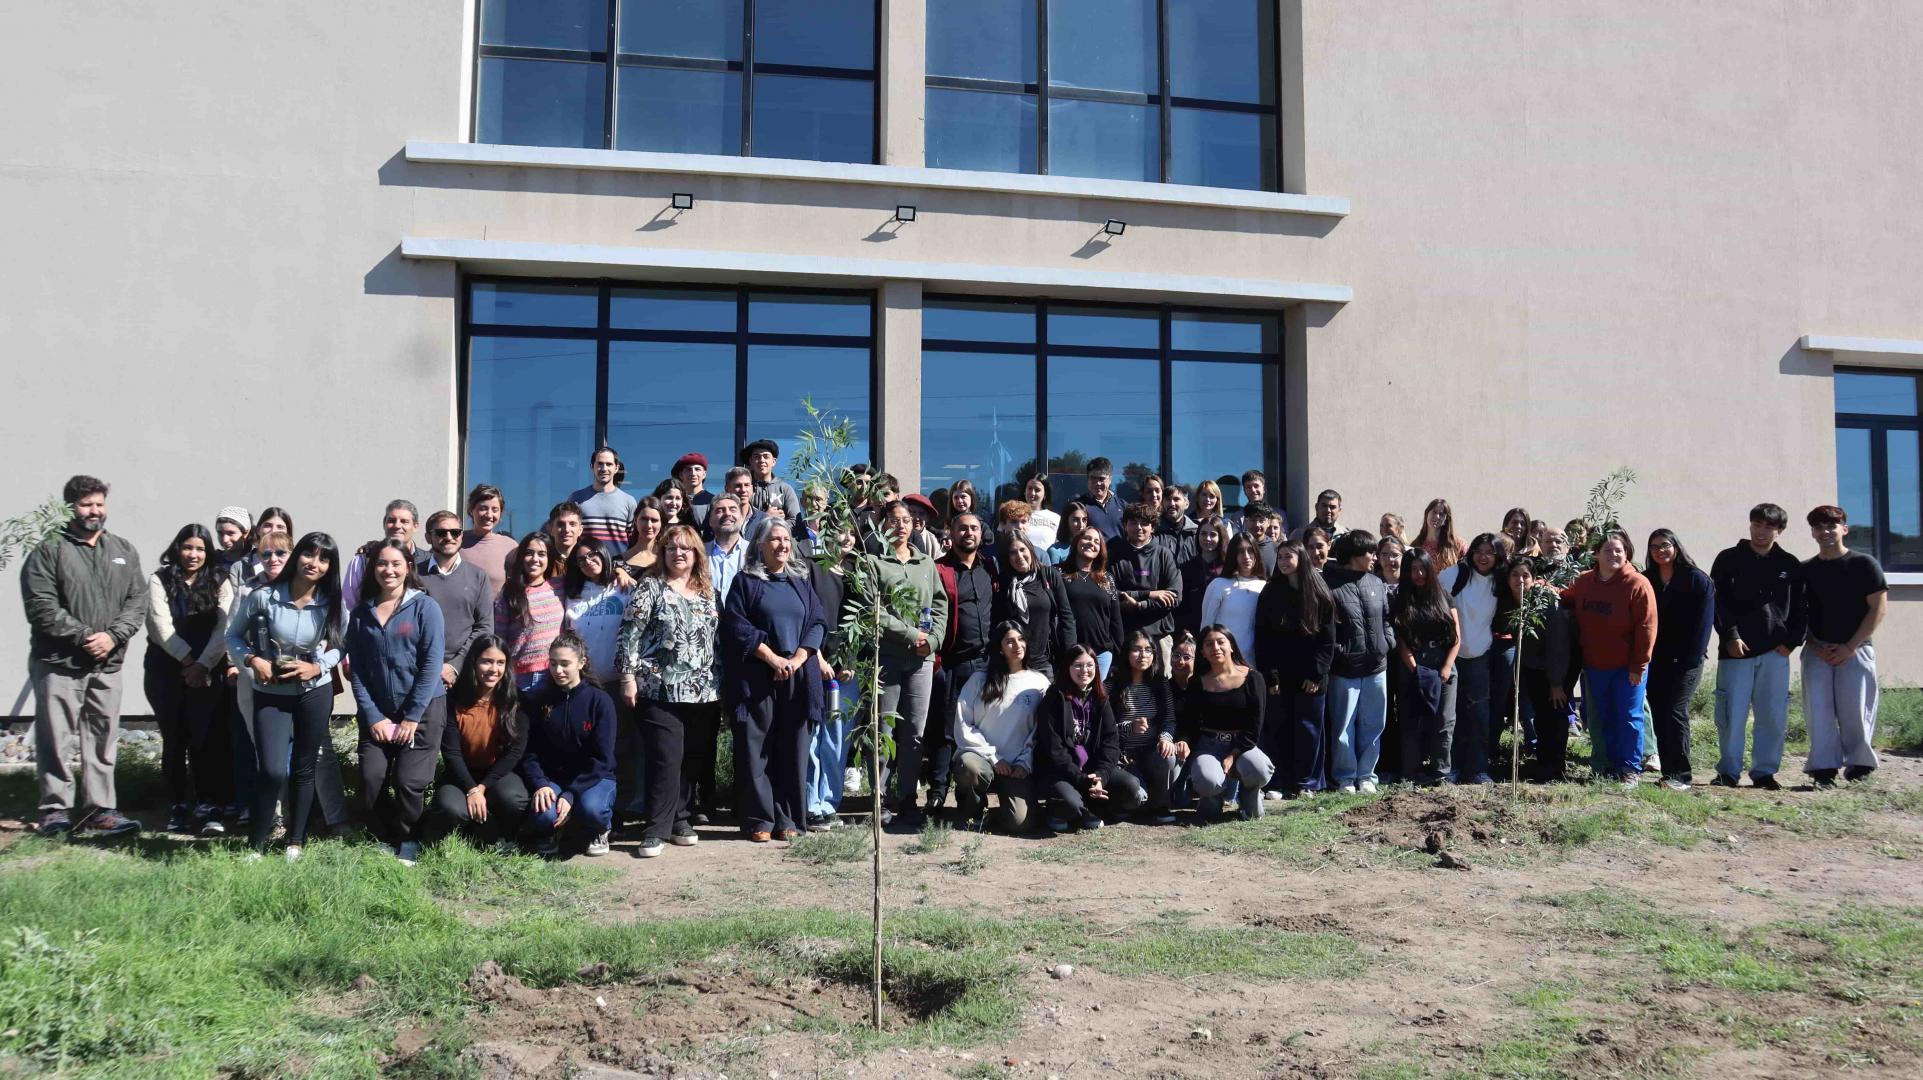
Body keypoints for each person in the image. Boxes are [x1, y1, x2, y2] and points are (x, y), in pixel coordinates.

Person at [21, 475, 145, 838]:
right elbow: (41, 606)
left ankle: (100, 809)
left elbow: (136, 603)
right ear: (70, 507)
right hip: (59, 663)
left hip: (107, 664)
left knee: (102, 736)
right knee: (56, 737)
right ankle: (55, 810)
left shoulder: (122, 549)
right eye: (86, 504)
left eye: (99, 504)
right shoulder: (49, 549)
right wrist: (86, 636)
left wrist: (113, 636)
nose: (95, 511)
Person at [225, 531, 344, 856]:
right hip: (270, 692)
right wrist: (251, 661)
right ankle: (256, 846)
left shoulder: (332, 602)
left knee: (305, 768)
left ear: (329, 566)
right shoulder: (264, 596)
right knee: (273, 769)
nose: (314, 563)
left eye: (323, 558)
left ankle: (295, 843)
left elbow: (343, 644)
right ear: (297, 556)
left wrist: (319, 668)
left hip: (313, 693)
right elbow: (232, 635)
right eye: (308, 554)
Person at [616, 524, 721, 857]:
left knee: (692, 758)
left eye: (686, 548)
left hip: (703, 689)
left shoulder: (706, 589)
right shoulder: (651, 587)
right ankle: (656, 828)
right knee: (666, 757)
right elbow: (629, 633)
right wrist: (627, 676)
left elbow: (714, 640)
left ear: (696, 555)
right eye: (672, 548)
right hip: (659, 687)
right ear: (662, 553)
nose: (679, 553)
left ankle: (680, 818)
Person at [722, 521, 826, 842]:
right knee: (757, 749)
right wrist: (772, 658)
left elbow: (817, 622)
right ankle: (760, 821)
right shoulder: (746, 581)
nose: (782, 545)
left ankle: (788, 819)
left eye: (786, 539)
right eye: (774, 539)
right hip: (757, 677)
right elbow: (736, 627)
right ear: (760, 545)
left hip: (798, 676)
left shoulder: (801, 580)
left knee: (793, 749)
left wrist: (795, 660)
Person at [348, 539, 447, 866]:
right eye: (381, 564)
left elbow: (432, 665)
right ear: (372, 568)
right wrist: (373, 716)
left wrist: (411, 717)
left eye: (395, 563)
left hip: (422, 711)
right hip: (377, 712)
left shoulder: (425, 607)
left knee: (408, 781)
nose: (388, 570)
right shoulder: (361, 613)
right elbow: (358, 670)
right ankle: (382, 834)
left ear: (408, 567)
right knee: (372, 778)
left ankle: (408, 836)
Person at [145, 523, 236, 834]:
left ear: (207, 552)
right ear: (178, 548)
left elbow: (224, 628)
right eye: (187, 547)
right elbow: (159, 624)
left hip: (208, 671)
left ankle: (209, 804)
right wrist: (187, 661)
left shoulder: (220, 580)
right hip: (165, 671)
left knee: (206, 737)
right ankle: (177, 805)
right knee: (174, 738)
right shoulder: (161, 578)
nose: (193, 554)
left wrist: (202, 665)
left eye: (200, 548)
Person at [1707, 503, 1805, 790]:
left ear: (1780, 530)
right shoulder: (1728, 559)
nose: (1761, 531)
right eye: (1756, 524)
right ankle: (1728, 772)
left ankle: (1764, 773)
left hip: (1776, 653)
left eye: (1769, 527)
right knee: (1731, 716)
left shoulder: (1789, 564)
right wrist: (1730, 635)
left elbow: (1801, 609)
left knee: (1772, 716)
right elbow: (1718, 602)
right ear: (1750, 525)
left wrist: (1791, 643)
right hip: (1735, 652)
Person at [865, 500, 949, 825]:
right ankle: (880, 800)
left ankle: (907, 798)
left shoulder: (926, 564)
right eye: (894, 520)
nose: (901, 525)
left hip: (921, 660)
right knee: (884, 730)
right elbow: (873, 611)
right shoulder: (873, 563)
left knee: (914, 732)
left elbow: (940, 604)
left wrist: (934, 639)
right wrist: (912, 634)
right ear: (883, 525)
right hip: (887, 658)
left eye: (906, 520)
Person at [1560, 531, 1657, 789]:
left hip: (1628, 667)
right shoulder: (1584, 582)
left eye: (1619, 551)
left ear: (1626, 554)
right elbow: (1565, 597)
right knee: (1599, 716)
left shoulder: (1637, 584)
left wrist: (1639, 665)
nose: (1613, 555)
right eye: (1607, 550)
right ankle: (1602, 766)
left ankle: (1629, 769)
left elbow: (1646, 628)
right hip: (1595, 664)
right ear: (1596, 554)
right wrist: (1539, 587)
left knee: (1628, 717)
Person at [1800, 505, 1886, 786]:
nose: (1824, 532)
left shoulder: (1864, 564)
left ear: (1844, 529)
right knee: (1818, 711)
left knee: (1857, 710)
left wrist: (1850, 646)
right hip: (1817, 652)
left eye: (1830, 526)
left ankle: (1860, 766)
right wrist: (1815, 645)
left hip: (1857, 650)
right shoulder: (1805, 570)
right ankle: (1823, 769)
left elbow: (1878, 609)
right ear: (1812, 532)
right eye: (1818, 527)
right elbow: (1798, 615)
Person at [520, 633, 618, 858]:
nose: (558, 670)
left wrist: (572, 793)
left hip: (594, 778)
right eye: (553, 663)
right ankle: (552, 829)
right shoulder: (539, 699)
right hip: (553, 778)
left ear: (581, 663)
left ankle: (599, 828)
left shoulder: (600, 702)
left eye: (565, 664)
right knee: (543, 813)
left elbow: (603, 759)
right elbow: (529, 752)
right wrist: (541, 783)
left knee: (591, 809)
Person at [430, 636, 530, 852]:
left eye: (500, 663)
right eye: (486, 661)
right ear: (473, 662)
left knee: (514, 800)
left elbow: (515, 753)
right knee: (451, 809)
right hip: (460, 775)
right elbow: (451, 752)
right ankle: (472, 831)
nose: (493, 669)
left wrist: (481, 788)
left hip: (499, 775)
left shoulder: (516, 700)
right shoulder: (453, 699)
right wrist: (470, 789)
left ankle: (502, 831)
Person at [1252, 541, 1334, 799]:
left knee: (1309, 729)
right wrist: (1271, 676)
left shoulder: (1320, 592)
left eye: (1289, 556)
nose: (1283, 561)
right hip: (1279, 675)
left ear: (1301, 558)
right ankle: (1278, 782)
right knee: (1279, 727)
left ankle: (1306, 783)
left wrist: (1316, 674)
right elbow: (1263, 637)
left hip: (1311, 676)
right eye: (1280, 556)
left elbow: (1328, 639)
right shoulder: (1270, 592)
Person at [951, 622, 1049, 832]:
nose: (1017, 645)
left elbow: (1041, 730)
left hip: (1017, 766)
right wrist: (994, 758)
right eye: (1010, 641)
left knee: (1019, 824)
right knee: (970, 768)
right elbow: (963, 723)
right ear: (999, 648)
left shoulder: (1039, 683)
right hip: (982, 758)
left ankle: (1005, 809)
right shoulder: (979, 679)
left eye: (1021, 639)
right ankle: (973, 809)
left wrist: (1025, 761)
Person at [1037, 646, 1145, 831]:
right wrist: (1083, 780)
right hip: (1064, 773)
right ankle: (1064, 810)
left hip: (1093, 771)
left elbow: (1111, 743)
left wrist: (1101, 776)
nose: (1084, 670)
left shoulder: (1100, 698)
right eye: (1077, 665)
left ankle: (1091, 808)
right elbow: (1054, 751)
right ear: (1067, 668)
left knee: (1133, 791)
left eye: (1089, 665)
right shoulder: (1054, 698)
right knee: (1069, 804)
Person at [932, 512, 997, 818]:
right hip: (953, 662)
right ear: (951, 532)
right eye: (962, 528)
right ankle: (936, 793)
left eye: (974, 528)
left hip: (987, 662)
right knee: (947, 731)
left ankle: (970, 796)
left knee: (982, 730)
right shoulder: (940, 569)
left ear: (981, 534)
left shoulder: (991, 568)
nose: (969, 533)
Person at [1177, 625, 1273, 820]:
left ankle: (1248, 795)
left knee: (1260, 769)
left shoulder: (1253, 678)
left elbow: (1255, 725)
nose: (1216, 648)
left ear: (1231, 646)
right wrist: (1185, 740)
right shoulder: (1197, 682)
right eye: (1208, 644)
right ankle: (1212, 798)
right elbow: (1190, 721)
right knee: (1208, 782)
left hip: (1243, 745)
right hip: (1208, 744)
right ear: (1202, 652)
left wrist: (1233, 755)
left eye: (1221, 642)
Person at [1643, 529, 1713, 790]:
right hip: (1655, 660)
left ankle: (1682, 776)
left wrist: (1687, 658)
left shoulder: (1696, 579)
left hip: (1686, 662)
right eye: (1654, 547)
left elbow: (1703, 627)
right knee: (1660, 713)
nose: (1660, 551)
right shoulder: (1647, 579)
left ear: (1675, 547)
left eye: (1665, 545)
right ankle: (1669, 774)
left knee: (1674, 711)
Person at [1324, 530, 1391, 794]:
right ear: (1354, 556)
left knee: (1374, 723)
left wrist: (1387, 643)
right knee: (1343, 725)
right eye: (1370, 553)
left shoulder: (1377, 582)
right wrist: (1340, 652)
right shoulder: (1329, 584)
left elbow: (1386, 619)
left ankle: (1367, 775)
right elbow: (1325, 627)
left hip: (1376, 667)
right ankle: (1345, 777)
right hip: (1344, 669)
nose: (1375, 558)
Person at [1391, 548, 1460, 786]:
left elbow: (1456, 637)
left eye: (1422, 568)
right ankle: (1412, 772)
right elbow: (1401, 642)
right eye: (1412, 569)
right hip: (1414, 665)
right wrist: (1416, 671)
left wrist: (1447, 666)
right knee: (1412, 721)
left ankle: (1441, 772)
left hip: (1443, 664)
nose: (1418, 574)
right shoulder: (1401, 598)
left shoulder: (1443, 596)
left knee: (1444, 722)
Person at [1439, 533, 1505, 784]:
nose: (1483, 556)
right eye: (1479, 551)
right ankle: (1450, 768)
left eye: (1490, 552)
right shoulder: (1452, 575)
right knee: (1450, 716)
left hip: (1479, 655)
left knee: (1478, 715)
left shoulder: (1501, 580)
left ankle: (1477, 769)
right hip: (1449, 657)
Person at [807, 527, 858, 830]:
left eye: (850, 531)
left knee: (837, 740)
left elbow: (864, 618)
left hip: (848, 670)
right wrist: (819, 657)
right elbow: (807, 616)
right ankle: (812, 805)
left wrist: (849, 660)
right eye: (839, 531)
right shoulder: (813, 568)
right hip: (816, 662)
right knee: (815, 737)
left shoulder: (856, 570)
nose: (846, 537)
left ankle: (830, 803)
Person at [1504, 558, 1573, 783]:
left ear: (1534, 579)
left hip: (1555, 667)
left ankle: (1555, 769)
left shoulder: (1545, 601)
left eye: (1525, 575)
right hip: (1531, 667)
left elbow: (1558, 643)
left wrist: (1555, 683)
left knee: (1554, 716)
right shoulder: (1510, 600)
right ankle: (1544, 765)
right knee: (1541, 718)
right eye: (1515, 574)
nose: (1520, 580)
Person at [1107, 631, 1180, 823]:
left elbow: (1169, 719)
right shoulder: (1112, 685)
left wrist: (1165, 737)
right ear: (1126, 653)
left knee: (1169, 754)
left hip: (1151, 752)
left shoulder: (1161, 683)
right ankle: (1129, 800)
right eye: (1137, 650)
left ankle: (1160, 806)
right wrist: (1129, 728)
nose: (1143, 655)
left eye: (1148, 650)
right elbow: (1102, 727)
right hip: (1122, 757)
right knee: (1136, 798)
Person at [418, 511, 494, 692]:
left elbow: (485, 627)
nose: (449, 537)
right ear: (429, 537)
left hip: (465, 674)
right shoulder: (414, 576)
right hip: (421, 674)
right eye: (441, 533)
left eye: (455, 532)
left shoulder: (478, 576)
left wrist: (454, 666)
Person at [1109, 503, 1183, 662]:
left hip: (1159, 636)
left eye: (1144, 523)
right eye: (1133, 522)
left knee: (1161, 685)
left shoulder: (1165, 555)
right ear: (1125, 525)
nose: (1139, 527)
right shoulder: (1112, 554)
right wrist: (1149, 595)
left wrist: (1141, 605)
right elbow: (1108, 594)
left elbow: (1174, 597)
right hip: (1124, 635)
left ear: (1153, 527)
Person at [993, 535, 1074, 676]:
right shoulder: (1002, 583)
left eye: (1023, 549)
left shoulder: (1048, 575)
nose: (1019, 556)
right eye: (1013, 552)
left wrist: (1070, 656)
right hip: (1013, 662)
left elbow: (1066, 616)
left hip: (1044, 660)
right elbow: (997, 622)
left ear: (1031, 550)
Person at [495, 532, 563, 694]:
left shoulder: (561, 587)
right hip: (520, 679)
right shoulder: (508, 594)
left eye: (542, 554)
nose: (535, 559)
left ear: (549, 560)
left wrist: (620, 572)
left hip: (556, 675)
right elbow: (500, 640)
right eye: (529, 553)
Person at [560, 538, 630, 687]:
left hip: (619, 682)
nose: (588, 561)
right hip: (583, 681)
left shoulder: (624, 588)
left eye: (592, 555)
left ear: (602, 553)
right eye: (581, 560)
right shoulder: (573, 594)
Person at [1060, 526, 1125, 680]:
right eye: (1087, 538)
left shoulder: (1107, 578)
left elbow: (1116, 620)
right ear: (1077, 542)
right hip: (1069, 652)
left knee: (1095, 700)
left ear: (1100, 549)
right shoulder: (1059, 573)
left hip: (1101, 653)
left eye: (1097, 541)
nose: (1091, 543)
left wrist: (1119, 653)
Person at [1202, 533, 1267, 670]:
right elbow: (1206, 627)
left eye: (1250, 550)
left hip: (1254, 664)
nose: (1246, 557)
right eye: (1240, 552)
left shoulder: (1264, 586)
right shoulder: (1218, 585)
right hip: (1223, 663)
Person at [342, 499, 421, 610]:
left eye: (404, 521)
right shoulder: (363, 559)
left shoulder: (427, 561)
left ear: (415, 527)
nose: (397, 526)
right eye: (391, 520)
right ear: (384, 524)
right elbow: (348, 606)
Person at [571, 446, 638, 550]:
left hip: (619, 565)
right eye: (600, 464)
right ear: (592, 466)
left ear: (616, 468)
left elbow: (634, 540)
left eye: (609, 464)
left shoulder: (629, 502)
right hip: (586, 564)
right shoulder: (576, 498)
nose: (604, 469)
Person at [1176, 516, 1229, 638]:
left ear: (1221, 537)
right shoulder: (1187, 568)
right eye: (1203, 534)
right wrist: (1184, 631)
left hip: (1223, 634)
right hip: (1193, 635)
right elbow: (1180, 605)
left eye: (1213, 534)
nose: (1207, 538)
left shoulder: (1229, 568)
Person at [462, 485, 518, 595]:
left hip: (499, 612)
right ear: (471, 510)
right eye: (483, 508)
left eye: (495, 510)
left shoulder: (511, 546)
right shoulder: (455, 541)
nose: (489, 515)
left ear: (501, 513)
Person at [742, 439, 803, 524]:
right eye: (757, 457)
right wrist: (765, 517)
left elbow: (795, 521)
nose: (762, 460)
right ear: (751, 461)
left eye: (766, 457)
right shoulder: (743, 489)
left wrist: (775, 527)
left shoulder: (785, 489)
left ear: (774, 461)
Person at [705, 493, 749, 603]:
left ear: (742, 519)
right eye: (720, 510)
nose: (727, 513)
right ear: (710, 521)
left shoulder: (756, 552)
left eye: (733, 510)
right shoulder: (699, 552)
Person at [1077, 458, 1127, 540]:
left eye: (1102, 479)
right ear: (1087, 478)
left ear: (1110, 479)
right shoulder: (1078, 506)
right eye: (1093, 478)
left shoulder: (1123, 506)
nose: (1098, 483)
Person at [620, 496, 667, 576]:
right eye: (644, 519)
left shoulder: (668, 558)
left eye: (654, 520)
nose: (649, 525)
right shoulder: (619, 561)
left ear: (661, 524)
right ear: (635, 520)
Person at [1413, 499, 1466, 570]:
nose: (1437, 516)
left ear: (1445, 520)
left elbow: (1470, 566)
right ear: (1427, 514)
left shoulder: (1458, 544)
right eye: (1434, 512)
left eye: (1441, 514)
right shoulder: (1416, 545)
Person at [213, 507, 255, 583]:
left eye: (230, 533)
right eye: (220, 533)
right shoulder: (212, 561)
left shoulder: (255, 561)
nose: (225, 540)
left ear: (245, 533)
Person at [674, 453, 713, 534]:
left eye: (697, 469)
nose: (693, 473)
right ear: (681, 475)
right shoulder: (673, 502)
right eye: (688, 469)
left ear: (704, 474)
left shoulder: (714, 501)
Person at [545, 502, 586, 578]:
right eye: (560, 524)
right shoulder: (542, 562)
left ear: (580, 530)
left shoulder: (589, 562)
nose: (567, 530)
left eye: (572, 524)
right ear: (550, 530)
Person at [1160, 485, 1199, 559]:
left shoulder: (1196, 533)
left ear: (1186, 504)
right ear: (1162, 503)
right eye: (1168, 499)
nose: (1172, 504)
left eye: (1176, 499)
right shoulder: (1153, 532)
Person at [1024, 476, 1060, 553]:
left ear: (1045, 494)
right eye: (1029, 488)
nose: (1032, 493)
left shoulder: (1056, 518)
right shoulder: (1013, 514)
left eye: (1037, 490)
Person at [1236, 470, 1271, 536]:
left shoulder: (1279, 514)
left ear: (1264, 489)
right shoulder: (1238, 517)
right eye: (1248, 487)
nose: (1253, 490)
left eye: (1256, 486)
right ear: (1244, 491)